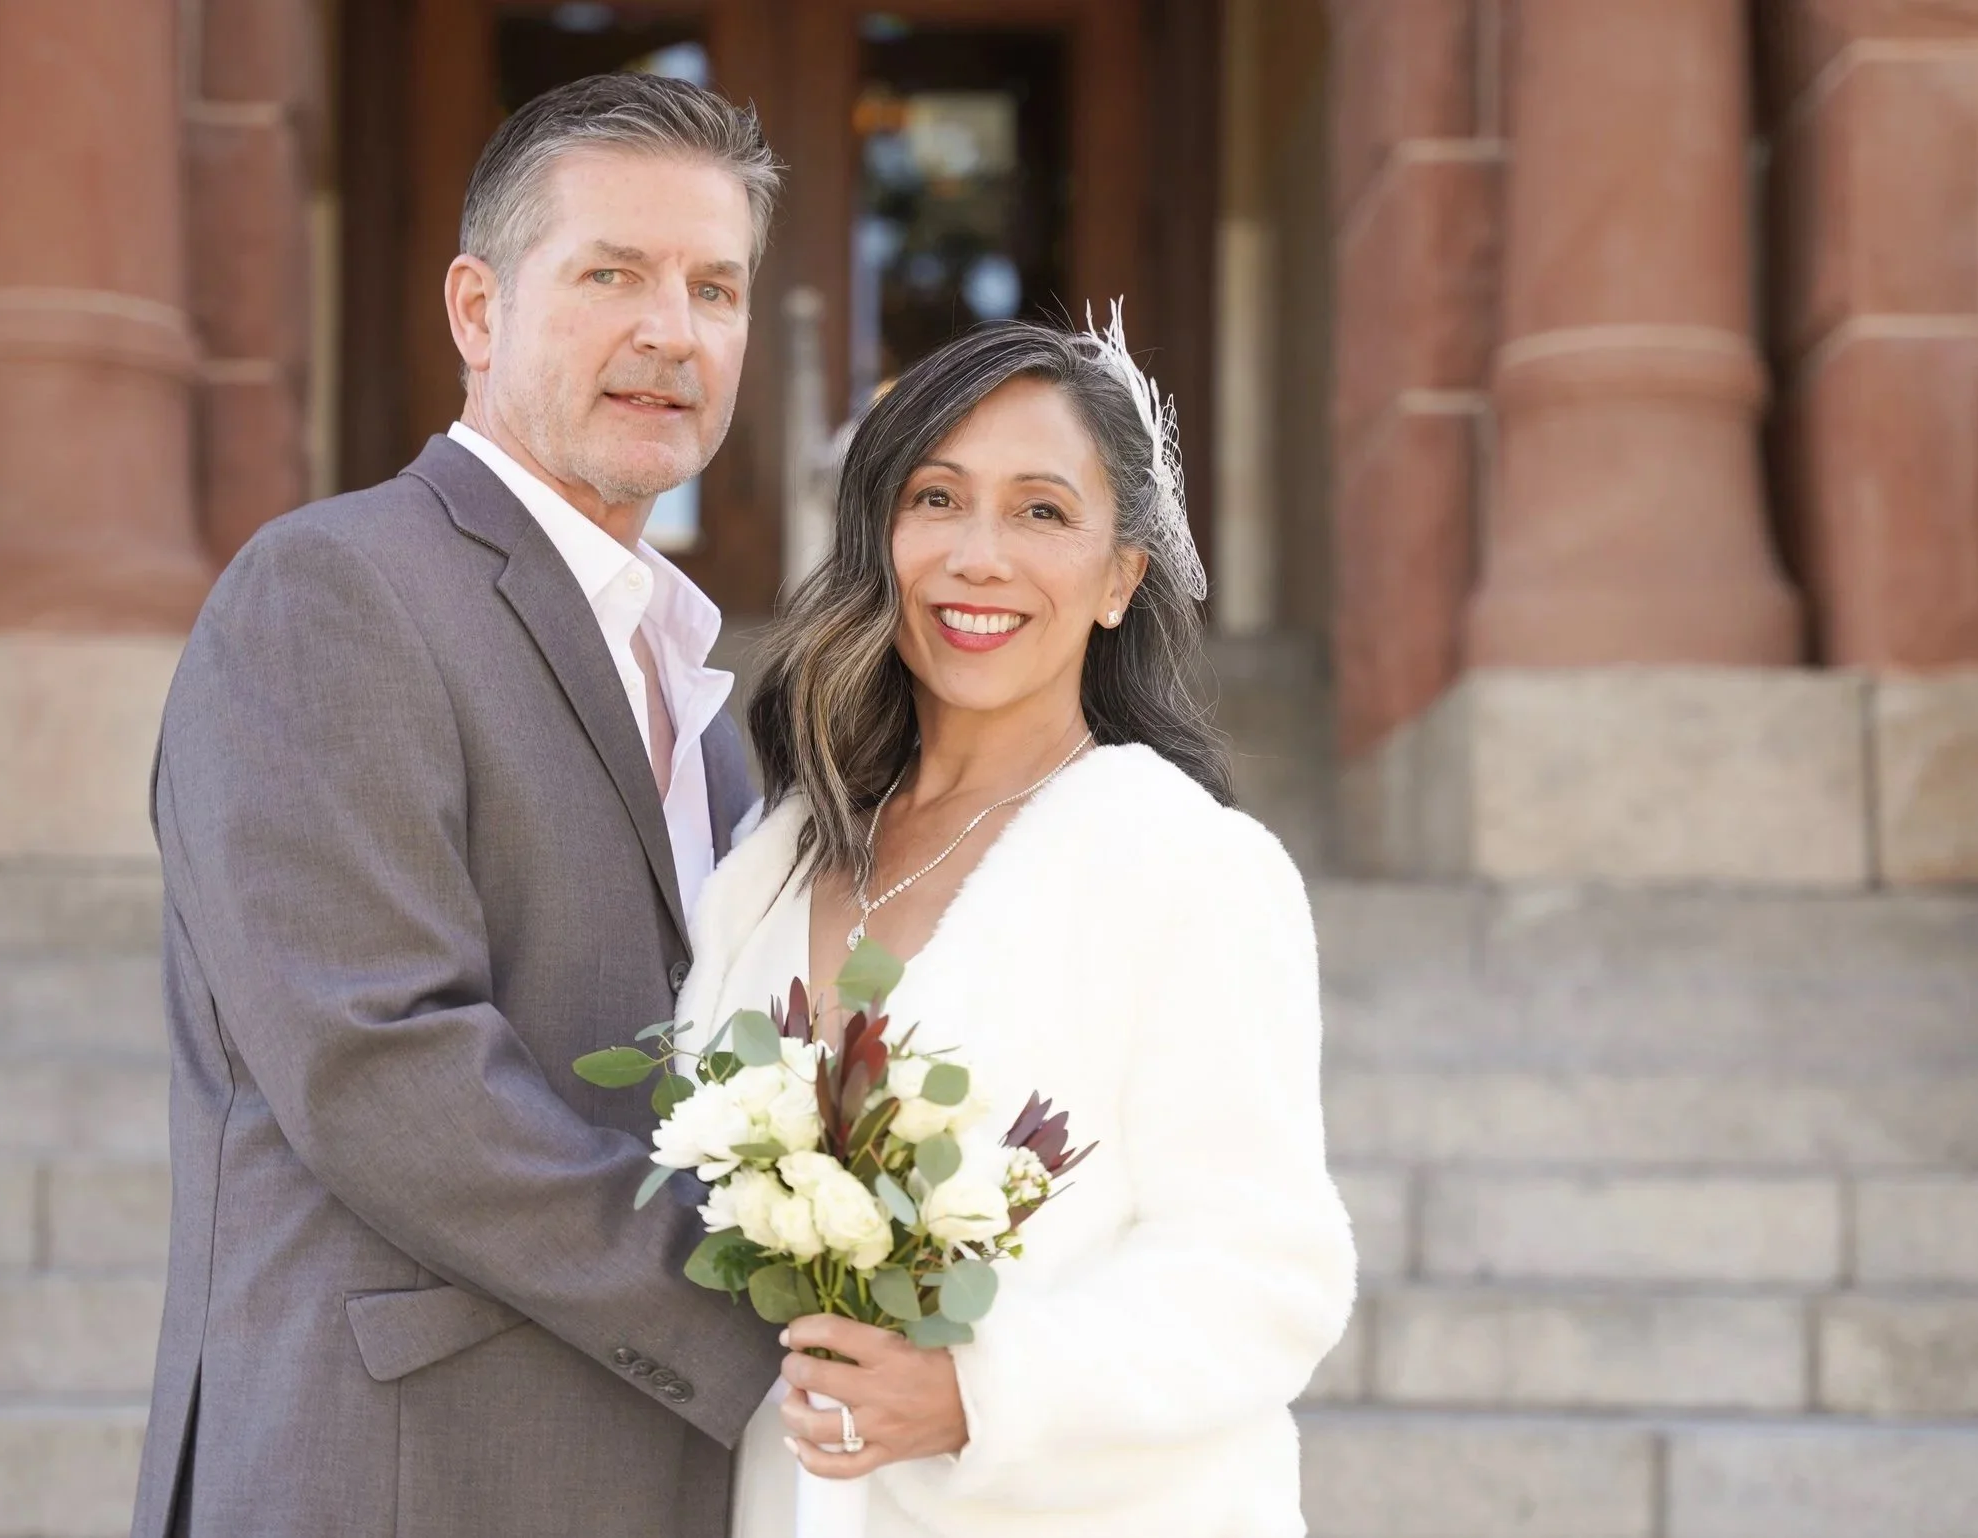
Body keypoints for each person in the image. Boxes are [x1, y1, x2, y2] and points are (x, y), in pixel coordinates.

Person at [132, 74, 788, 1538]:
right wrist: (767, 1322)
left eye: (713, 288)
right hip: (404, 1478)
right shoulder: (336, 590)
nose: (669, 331)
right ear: (476, 311)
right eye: (609, 274)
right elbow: (383, 1064)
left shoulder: (692, 686)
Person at [675, 315, 1359, 1536]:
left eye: (1042, 512)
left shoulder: (1189, 867)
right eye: (937, 498)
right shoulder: (769, 861)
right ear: (881, 537)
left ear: (1118, 577)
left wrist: (974, 1391)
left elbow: (1265, 1273)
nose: (978, 555)